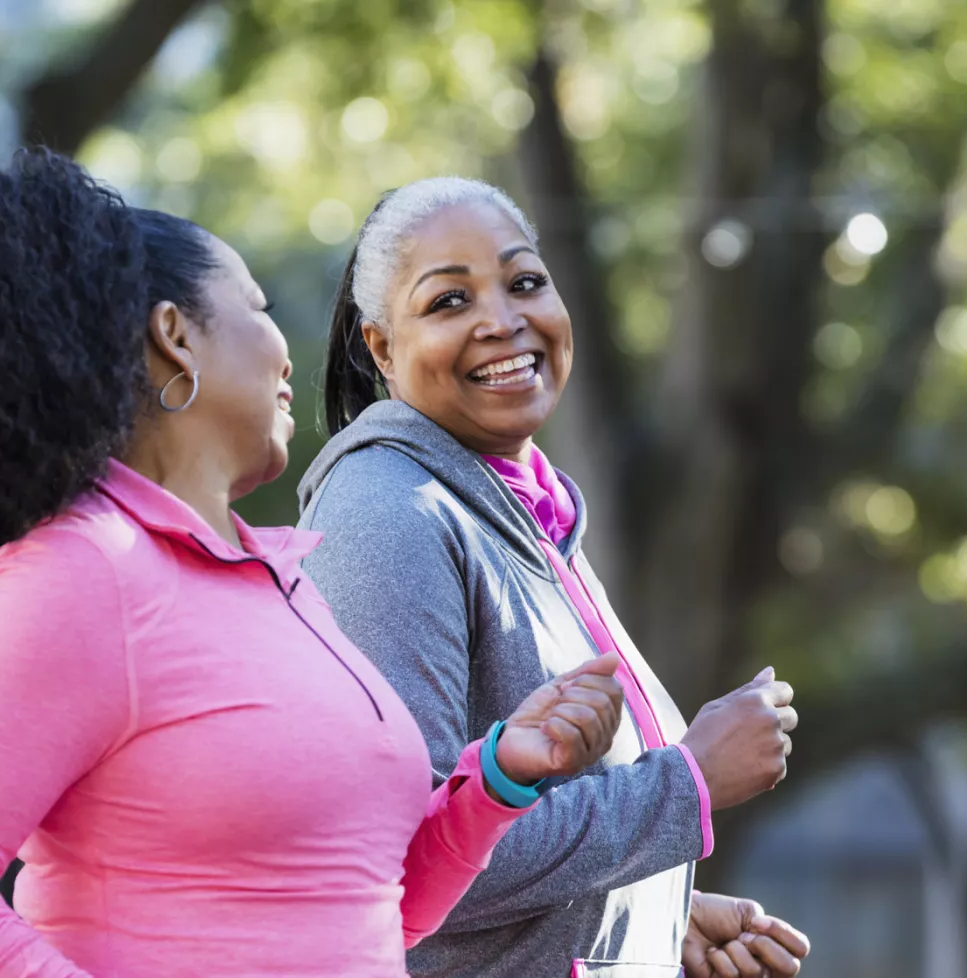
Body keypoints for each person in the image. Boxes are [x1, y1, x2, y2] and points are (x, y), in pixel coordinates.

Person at [0, 150, 628, 978]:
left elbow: (375, 905)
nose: (288, 355)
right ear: (174, 336)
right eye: (256, 308)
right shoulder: (82, 570)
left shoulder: (279, 583)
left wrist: (500, 776)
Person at [297, 177, 812, 978]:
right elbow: (404, 861)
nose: (503, 321)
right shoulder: (391, 512)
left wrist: (649, 914)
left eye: (524, 282)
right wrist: (688, 783)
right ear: (381, 348)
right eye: (448, 302)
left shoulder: (523, 509)